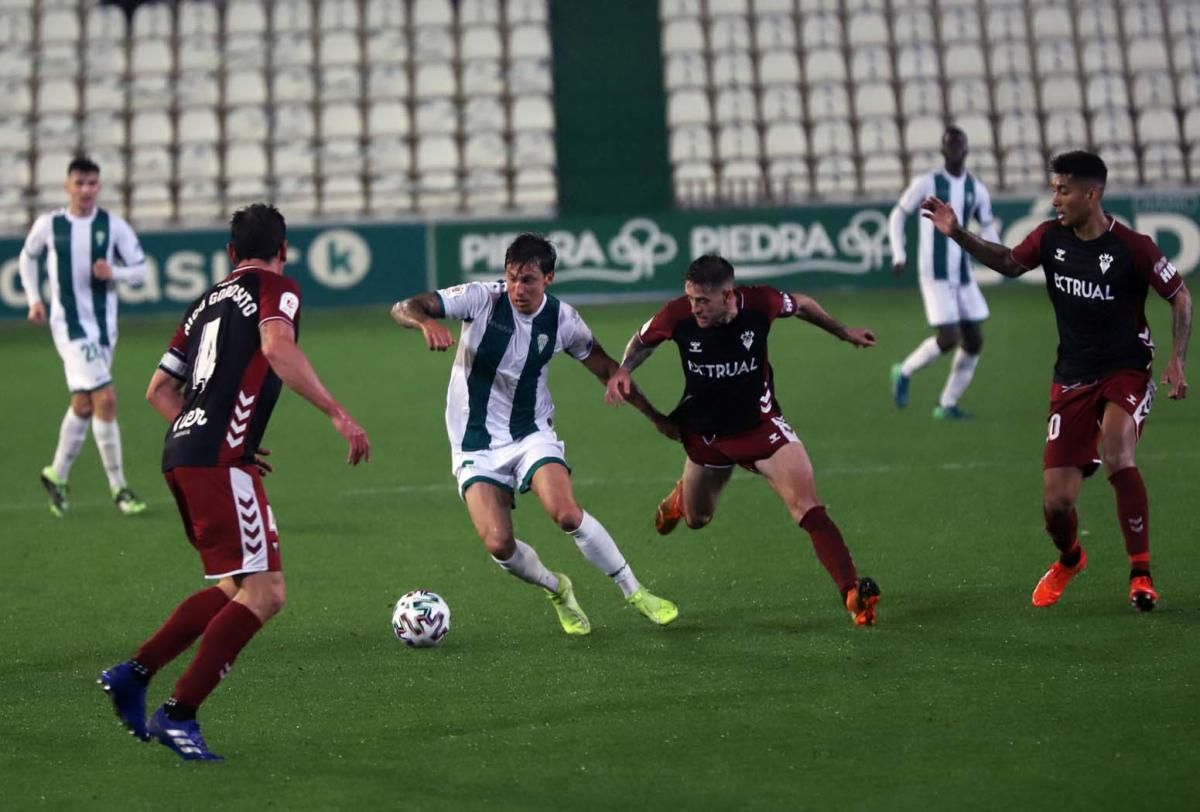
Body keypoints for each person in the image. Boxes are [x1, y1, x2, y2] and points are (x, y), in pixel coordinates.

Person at [98, 204, 371, 761]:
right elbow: (276, 346)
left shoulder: (202, 304)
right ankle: (179, 714)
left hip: (183, 452)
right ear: (284, 249)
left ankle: (134, 673)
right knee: (266, 593)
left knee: (234, 588)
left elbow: (158, 390)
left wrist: (213, 434)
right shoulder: (277, 286)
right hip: (218, 461)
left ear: (228, 254)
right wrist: (336, 412)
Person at [920, 150, 1191, 611]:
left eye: (1063, 190)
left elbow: (1180, 298)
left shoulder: (1133, 246)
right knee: (1057, 504)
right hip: (1072, 377)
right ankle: (1071, 558)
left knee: (1118, 450)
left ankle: (1140, 574)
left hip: (1126, 369)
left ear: (1093, 193)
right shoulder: (1050, 238)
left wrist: (1177, 360)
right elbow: (1008, 262)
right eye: (1054, 188)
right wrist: (957, 233)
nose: (1055, 198)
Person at [391, 233, 679, 635]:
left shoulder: (563, 319)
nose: (517, 289)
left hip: (530, 432)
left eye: (528, 280)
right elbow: (405, 306)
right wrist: (425, 322)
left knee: (565, 513)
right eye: (511, 278)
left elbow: (604, 368)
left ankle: (635, 591)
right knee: (498, 546)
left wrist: (655, 417)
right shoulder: (480, 298)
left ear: (549, 278)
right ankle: (557, 588)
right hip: (474, 443)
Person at [605, 255, 882, 626]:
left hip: (760, 427)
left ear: (728, 294)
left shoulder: (760, 303)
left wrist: (843, 331)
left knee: (807, 506)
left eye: (703, 300)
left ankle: (852, 593)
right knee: (699, 519)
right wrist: (624, 369)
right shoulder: (678, 315)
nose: (695, 308)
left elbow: (803, 304)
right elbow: (641, 342)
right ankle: (681, 501)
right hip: (705, 433)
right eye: (690, 298)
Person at [18, 156, 150, 517]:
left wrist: (115, 273)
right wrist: (34, 299)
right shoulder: (50, 225)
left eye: (92, 183)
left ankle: (57, 473)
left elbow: (140, 271)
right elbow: (27, 259)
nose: (86, 190)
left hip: (104, 327)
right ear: (67, 186)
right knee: (106, 398)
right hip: (70, 325)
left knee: (85, 403)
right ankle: (119, 488)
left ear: (99, 186)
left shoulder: (113, 225)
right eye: (80, 183)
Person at [888, 126, 999, 419]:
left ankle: (947, 404)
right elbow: (898, 214)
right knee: (949, 337)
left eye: (958, 145)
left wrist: (1000, 254)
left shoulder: (976, 188)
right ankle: (905, 371)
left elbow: (987, 224)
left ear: (966, 150)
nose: (954, 150)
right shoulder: (927, 183)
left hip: (962, 274)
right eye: (949, 145)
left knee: (974, 340)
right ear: (942, 150)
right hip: (934, 273)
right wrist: (899, 253)